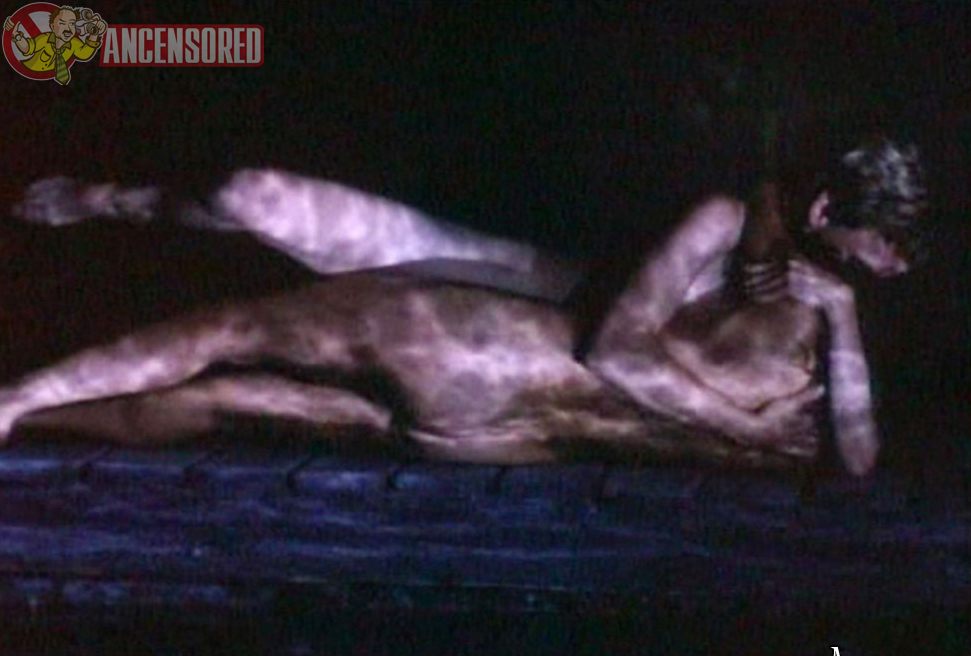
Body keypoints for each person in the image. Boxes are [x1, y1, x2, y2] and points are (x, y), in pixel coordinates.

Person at [0, 136, 927, 475]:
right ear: (826, 211)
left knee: (234, 391)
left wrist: (837, 315)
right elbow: (618, 347)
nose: (895, 267)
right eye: (886, 245)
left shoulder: (817, 294)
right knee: (248, 196)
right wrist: (744, 426)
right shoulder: (733, 216)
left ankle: (29, 411)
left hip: (504, 370)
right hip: (491, 272)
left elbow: (851, 451)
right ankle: (110, 201)